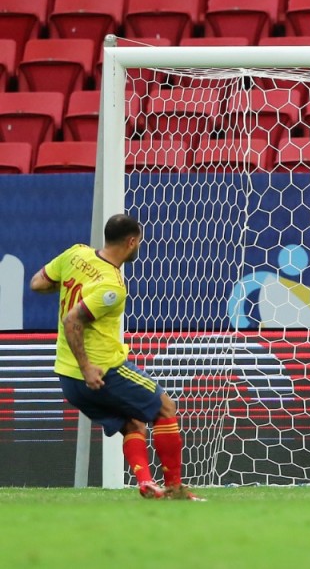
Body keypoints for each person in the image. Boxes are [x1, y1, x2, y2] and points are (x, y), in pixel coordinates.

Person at [29, 214, 204, 501]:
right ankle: (175, 487)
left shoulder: (76, 253)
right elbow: (73, 320)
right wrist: (87, 367)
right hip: (101, 371)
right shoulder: (112, 286)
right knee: (166, 408)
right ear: (131, 242)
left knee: (133, 423)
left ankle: (147, 483)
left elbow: (38, 283)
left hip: (67, 377)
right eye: (139, 243)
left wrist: (73, 288)